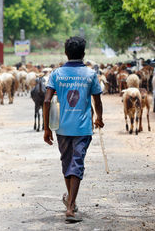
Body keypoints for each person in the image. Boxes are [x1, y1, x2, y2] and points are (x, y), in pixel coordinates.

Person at [43, 36, 104, 223]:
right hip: (83, 127)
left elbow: (46, 101)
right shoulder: (91, 74)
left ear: (65, 53)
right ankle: (70, 207)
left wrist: (46, 129)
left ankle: (71, 201)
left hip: (61, 127)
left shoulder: (56, 74)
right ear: (83, 54)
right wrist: (100, 118)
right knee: (76, 164)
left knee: (68, 163)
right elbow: (97, 100)